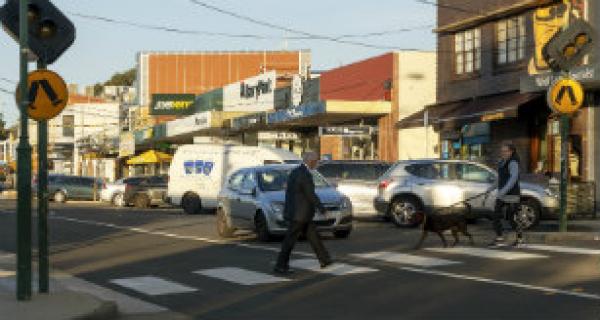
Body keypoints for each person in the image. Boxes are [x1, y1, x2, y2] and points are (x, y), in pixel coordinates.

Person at [274, 151, 333, 274]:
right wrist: (323, 210)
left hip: (299, 212)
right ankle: (280, 265)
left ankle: (324, 259)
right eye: (316, 161)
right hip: (300, 214)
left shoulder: (296, 171)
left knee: (313, 236)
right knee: (290, 240)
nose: (317, 164)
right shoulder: (304, 175)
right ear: (310, 161)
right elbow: (310, 194)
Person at [488, 142, 525, 248]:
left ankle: (520, 239)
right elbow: (500, 178)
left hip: (512, 194)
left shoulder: (513, 162)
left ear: (511, 151)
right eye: (502, 151)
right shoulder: (502, 162)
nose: (503, 153)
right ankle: (499, 238)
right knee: (496, 215)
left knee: (512, 217)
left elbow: (513, 179)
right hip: (502, 194)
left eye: (505, 151)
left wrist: (502, 191)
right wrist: (490, 188)